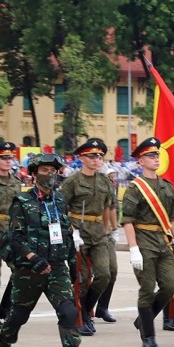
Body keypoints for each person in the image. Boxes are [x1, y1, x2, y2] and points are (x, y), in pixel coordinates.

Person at [0, 153, 99, 347]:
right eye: (44, 170)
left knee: (68, 312)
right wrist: (32, 258)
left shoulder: (59, 200)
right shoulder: (22, 202)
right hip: (29, 269)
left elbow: (65, 233)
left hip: (56, 266)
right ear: (33, 174)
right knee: (18, 316)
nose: (50, 173)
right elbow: (15, 237)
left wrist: (71, 262)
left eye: (54, 170)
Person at [121, 137, 174, 347]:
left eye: (157, 154)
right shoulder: (135, 188)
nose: (155, 158)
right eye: (150, 155)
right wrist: (133, 248)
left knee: (170, 285)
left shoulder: (167, 186)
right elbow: (128, 220)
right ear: (140, 161)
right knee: (147, 289)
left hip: (163, 242)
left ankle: (144, 318)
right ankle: (148, 336)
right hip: (143, 242)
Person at [61, 138, 119, 335]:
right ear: (82, 158)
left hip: (98, 233)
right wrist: (72, 231)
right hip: (78, 231)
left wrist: (111, 229)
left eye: (100, 156)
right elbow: (62, 210)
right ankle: (80, 316)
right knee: (82, 277)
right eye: (92, 156)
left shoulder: (104, 181)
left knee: (104, 274)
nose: (97, 159)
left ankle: (85, 309)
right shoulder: (72, 181)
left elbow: (108, 206)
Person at [0, 141, 23, 330]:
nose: (8, 161)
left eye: (10, 158)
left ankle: (5, 308)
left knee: (19, 269)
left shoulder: (16, 182)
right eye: (4, 158)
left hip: (11, 229)